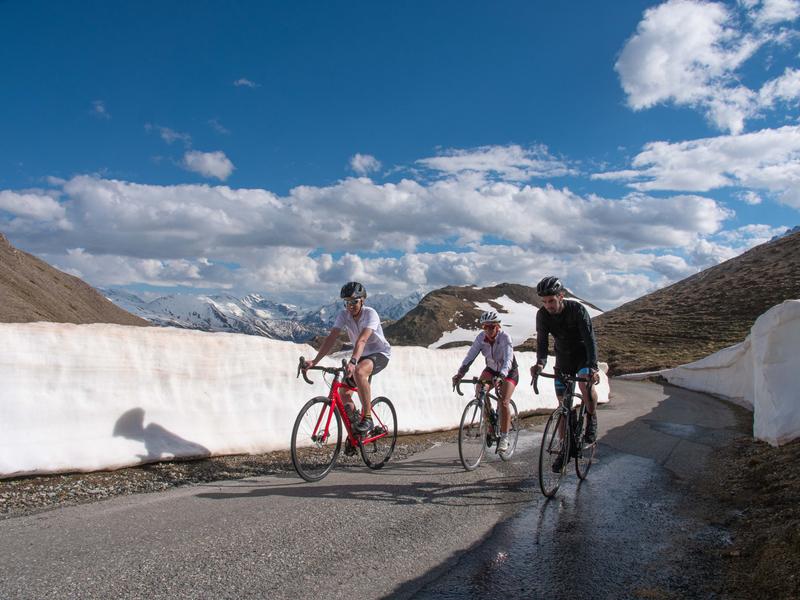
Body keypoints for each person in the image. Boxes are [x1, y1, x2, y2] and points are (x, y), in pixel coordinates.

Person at [303, 282, 391, 442]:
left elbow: (362, 340)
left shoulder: (371, 314)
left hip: (380, 354)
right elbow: (331, 338)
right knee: (344, 394)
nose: (350, 306)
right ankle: (356, 432)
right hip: (361, 356)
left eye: (354, 301)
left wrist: (353, 361)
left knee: (359, 371)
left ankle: (368, 418)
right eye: (347, 302)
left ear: (362, 300)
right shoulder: (343, 315)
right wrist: (314, 361)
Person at [530, 276, 600, 471]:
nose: (548, 305)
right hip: (563, 359)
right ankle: (564, 448)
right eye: (544, 301)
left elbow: (590, 339)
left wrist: (593, 367)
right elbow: (542, 342)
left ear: (561, 296)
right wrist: (540, 364)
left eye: (551, 300)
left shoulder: (577, 310)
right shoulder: (542, 315)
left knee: (585, 385)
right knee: (563, 407)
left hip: (583, 356)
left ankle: (591, 418)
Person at [451, 310, 519, 455]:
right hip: (491, 369)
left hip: (509, 371)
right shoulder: (481, 338)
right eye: (485, 327)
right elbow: (470, 355)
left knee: (504, 401)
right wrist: (460, 373)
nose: (488, 330)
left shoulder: (505, 338)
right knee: (480, 391)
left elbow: (508, 360)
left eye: (491, 327)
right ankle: (490, 423)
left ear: (498, 326)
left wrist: (502, 376)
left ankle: (505, 437)